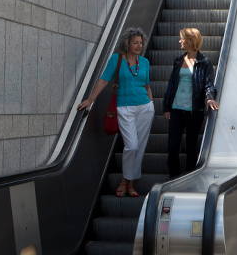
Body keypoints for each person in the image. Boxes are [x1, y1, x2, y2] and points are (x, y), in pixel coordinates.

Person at [78, 28, 154, 197]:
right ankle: (125, 180)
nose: (139, 45)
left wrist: (151, 103)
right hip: (123, 108)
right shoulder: (116, 59)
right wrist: (90, 99)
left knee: (139, 148)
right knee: (131, 145)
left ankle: (130, 183)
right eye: (135, 42)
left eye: (141, 43)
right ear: (127, 43)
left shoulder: (145, 62)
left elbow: (147, 86)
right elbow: (104, 80)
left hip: (144, 108)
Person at [162, 27, 220, 177]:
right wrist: (166, 107)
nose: (180, 41)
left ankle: (189, 177)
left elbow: (208, 83)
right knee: (172, 147)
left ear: (189, 41)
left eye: (182, 38)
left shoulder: (204, 62)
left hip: (194, 111)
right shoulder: (178, 60)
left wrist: (210, 97)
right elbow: (171, 84)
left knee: (191, 147)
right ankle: (173, 178)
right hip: (176, 109)